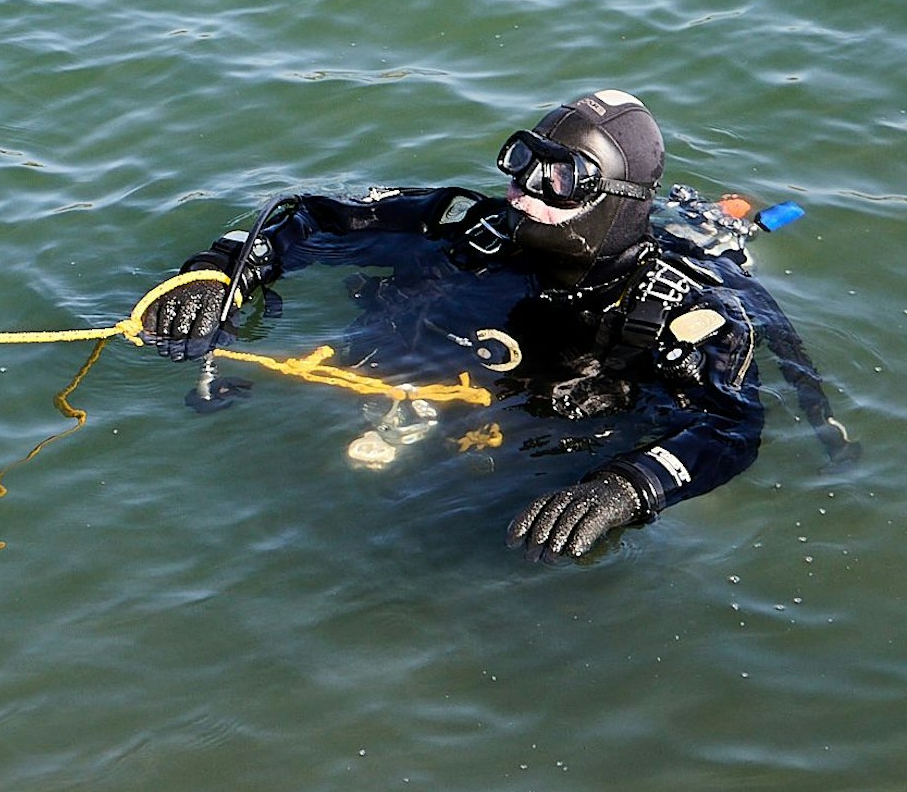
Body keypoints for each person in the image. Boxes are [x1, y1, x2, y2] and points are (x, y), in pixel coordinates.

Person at [140, 89, 856, 561]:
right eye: (523, 163)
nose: (524, 191)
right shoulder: (470, 229)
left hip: (523, 446)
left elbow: (731, 428)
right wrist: (217, 271)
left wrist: (626, 487)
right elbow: (308, 218)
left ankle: (730, 219)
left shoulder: (686, 312)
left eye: (560, 178)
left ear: (614, 198)